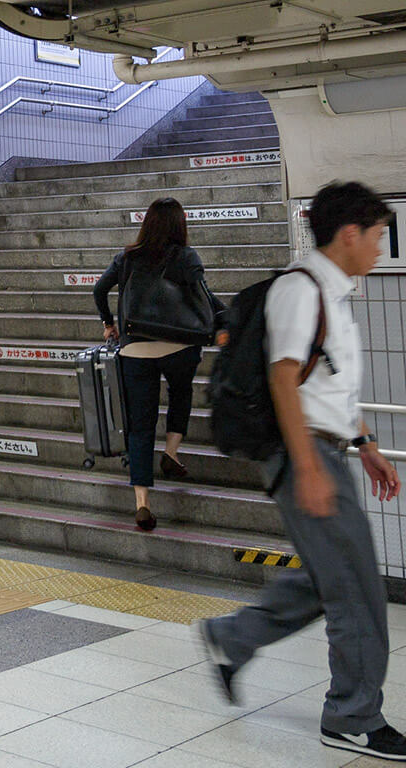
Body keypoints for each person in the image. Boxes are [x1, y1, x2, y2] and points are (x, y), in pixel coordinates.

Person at [196, 182, 404, 761]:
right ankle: (352, 716)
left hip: (326, 450)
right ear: (349, 234)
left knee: (328, 577)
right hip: (304, 454)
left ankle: (230, 639)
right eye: (379, 236)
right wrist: (309, 467)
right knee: (359, 590)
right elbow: (285, 379)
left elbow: (330, 383)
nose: (382, 249)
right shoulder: (300, 290)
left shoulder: (334, 293)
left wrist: (364, 444)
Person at [93, 197, 226, 531]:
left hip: (135, 349)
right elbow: (204, 297)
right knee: (181, 391)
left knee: (140, 426)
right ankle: (171, 452)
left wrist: (109, 323)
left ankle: (142, 503)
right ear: (180, 225)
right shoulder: (185, 257)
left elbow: (99, 289)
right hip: (179, 345)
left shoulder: (126, 258)